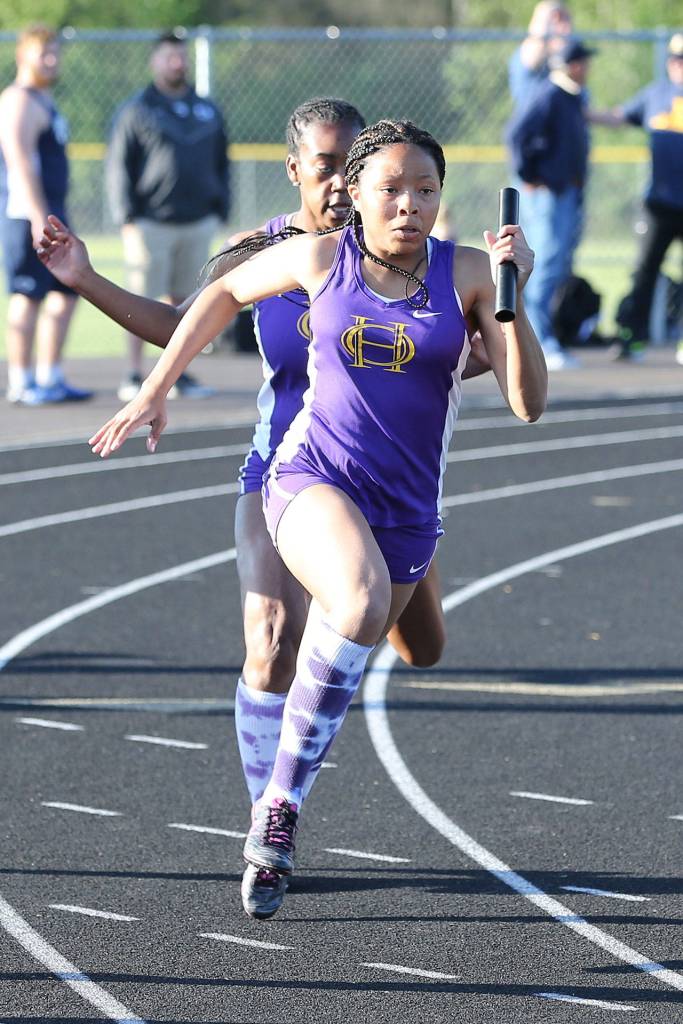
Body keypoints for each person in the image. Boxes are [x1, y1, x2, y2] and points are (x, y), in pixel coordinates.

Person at [38, 104, 492, 919]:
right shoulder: (276, 255)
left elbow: (470, 354)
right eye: (320, 165)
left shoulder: (419, 262)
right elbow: (189, 322)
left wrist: (437, 366)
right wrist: (86, 283)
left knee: (421, 648)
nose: (333, 179)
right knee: (273, 636)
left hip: (393, 484)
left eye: (345, 164)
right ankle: (271, 822)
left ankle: (288, 784)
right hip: (287, 471)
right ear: (301, 172)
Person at [106, 29, 229, 401]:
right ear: (154, 61)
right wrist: (126, 217)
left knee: (187, 301)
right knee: (140, 298)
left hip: (196, 221)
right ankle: (133, 372)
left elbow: (222, 162)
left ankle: (179, 372)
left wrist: (221, 206)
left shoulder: (206, 108)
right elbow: (118, 165)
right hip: (150, 222)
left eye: (181, 55)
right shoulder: (137, 109)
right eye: (168, 56)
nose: (177, 62)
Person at [0, 24, 92, 406]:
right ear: (23, 55)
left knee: (66, 292)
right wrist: (39, 217)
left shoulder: (43, 100)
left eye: (56, 52)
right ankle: (21, 381)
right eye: (44, 52)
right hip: (25, 214)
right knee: (27, 294)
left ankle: (49, 376)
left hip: (51, 210)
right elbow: (19, 161)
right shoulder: (18, 99)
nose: (52, 60)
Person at [590, 33, 683, 363]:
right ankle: (633, 338)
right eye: (676, 59)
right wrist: (581, 110)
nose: (679, 65)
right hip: (659, 204)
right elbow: (618, 116)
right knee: (643, 272)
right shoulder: (656, 94)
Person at [506, 37, 595, 370]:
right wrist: (529, 176)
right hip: (549, 195)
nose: (587, 68)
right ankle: (539, 337)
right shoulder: (548, 94)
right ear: (572, 64)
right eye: (583, 61)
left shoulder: (570, 97)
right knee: (543, 263)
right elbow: (516, 135)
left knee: (556, 264)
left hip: (565, 193)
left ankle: (544, 334)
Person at [508, 0, 573, 109]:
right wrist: (549, 8)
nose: (565, 30)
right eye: (558, 21)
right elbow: (534, 50)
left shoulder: (568, 62)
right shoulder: (527, 56)